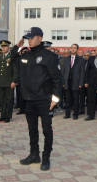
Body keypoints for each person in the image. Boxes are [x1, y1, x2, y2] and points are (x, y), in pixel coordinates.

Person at [12, 27, 62, 171]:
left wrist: (56, 98)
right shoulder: (26, 54)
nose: (29, 40)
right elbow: (13, 58)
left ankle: (46, 157)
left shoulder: (49, 56)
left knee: (47, 129)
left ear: (39, 38)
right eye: (27, 38)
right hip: (29, 99)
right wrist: (18, 45)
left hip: (44, 99)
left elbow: (57, 79)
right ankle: (34, 154)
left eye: (31, 38)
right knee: (32, 129)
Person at [0, 40, 17, 123]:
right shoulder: (0, 58)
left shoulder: (11, 57)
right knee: (2, 100)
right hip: (1, 82)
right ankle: (2, 115)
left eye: (5, 46)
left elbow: (15, 70)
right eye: (2, 47)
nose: (3, 48)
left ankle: (8, 116)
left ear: (8, 47)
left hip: (9, 83)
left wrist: (14, 81)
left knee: (9, 100)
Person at [62, 43, 85, 120]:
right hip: (67, 81)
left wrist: (81, 83)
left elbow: (82, 72)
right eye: (72, 48)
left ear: (77, 49)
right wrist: (63, 82)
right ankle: (67, 114)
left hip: (76, 82)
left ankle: (75, 114)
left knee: (76, 99)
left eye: (75, 48)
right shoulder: (66, 59)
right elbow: (63, 71)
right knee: (67, 99)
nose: (73, 49)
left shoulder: (81, 59)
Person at [84, 45, 97, 122]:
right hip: (91, 83)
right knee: (91, 100)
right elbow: (87, 71)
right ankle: (90, 115)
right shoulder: (91, 58)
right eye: (96, 50)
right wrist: (86, 82)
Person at [15, 47, 28, 115]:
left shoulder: (31, 58)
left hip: (28, 81)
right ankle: (22, 109)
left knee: (28, 96)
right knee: (20, 96)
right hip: (20, 81)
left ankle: (28, 109)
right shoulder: (19, 59)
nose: (25, 53)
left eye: (26, 51)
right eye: (23, 51)